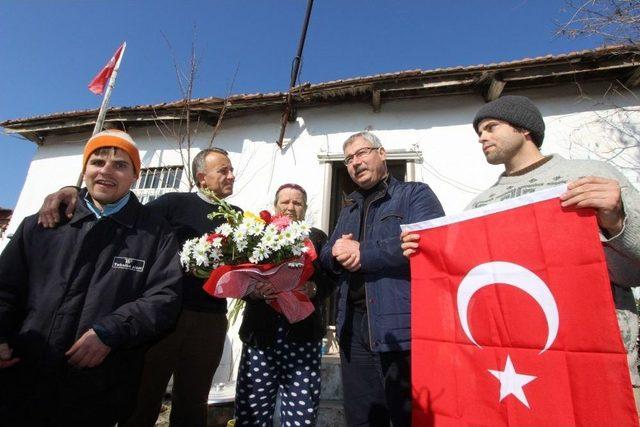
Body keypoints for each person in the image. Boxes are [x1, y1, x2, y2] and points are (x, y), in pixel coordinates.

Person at [401, 95, 640, 406]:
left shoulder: (589, 176)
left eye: (491, 127)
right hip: (512, 374)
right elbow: (463, 283)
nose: (482, 138)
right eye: (479, 133)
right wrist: (425, 254)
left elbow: (633, 271)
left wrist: (617, 219)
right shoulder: (481, 206)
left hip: (599, 358)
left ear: (524, 128)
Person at [37, 147, 239, 427]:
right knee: (144, 397)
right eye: (224, 170)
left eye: (231, 170)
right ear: (202, 178)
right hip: (164, 317)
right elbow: (124, 217)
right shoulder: (173, 204)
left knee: (194, 400)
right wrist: (73, 190)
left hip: (211, 319)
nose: (231, 175)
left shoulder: (237, 217)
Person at [0, 129, 183, 426]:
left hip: (98, 390)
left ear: (136, 175)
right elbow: (5, 289)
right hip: (22, 382)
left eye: (121, 165)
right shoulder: (42, 224)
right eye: (97, 161)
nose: (106, 171)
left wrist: (110, 332)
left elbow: (164, 298)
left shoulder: (155, 234)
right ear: (84, 169)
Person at [319, 131, 445, 426]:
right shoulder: (348, 206)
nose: (355, 163)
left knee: (408, 417)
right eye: (349, 159)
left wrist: (363, 253)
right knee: (363, 417)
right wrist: (337, 252)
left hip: (399, 325)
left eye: (362, 153)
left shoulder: (414, 194)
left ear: (383, 153)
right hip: (353, 327)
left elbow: (430, 241)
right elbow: (327, 254)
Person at [234, 183, 336, 426]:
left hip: (302, 338)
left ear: (305, 208)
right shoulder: (256, 236)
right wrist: (255, 293)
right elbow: (239, 279)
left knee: (301, 415)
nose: (290, 207)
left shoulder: (316, 238)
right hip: (260, 337)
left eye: (297, 203)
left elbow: (331, 279)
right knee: (252, 413)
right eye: (285, 202)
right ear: (276, 205)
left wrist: (314, 288)